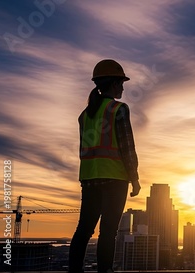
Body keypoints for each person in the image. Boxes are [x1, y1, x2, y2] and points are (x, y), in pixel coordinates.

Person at [69, 59, 141, 273]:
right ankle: (104, 272)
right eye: (121, 83)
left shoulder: (85, 115)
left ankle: (74, 271)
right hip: (115, 178)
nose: (123, 87)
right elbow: (127, 146)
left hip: (90, 178)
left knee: (84, 229)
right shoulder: (118, 109)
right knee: (108, 231)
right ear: (112, 83)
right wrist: (135, 178)